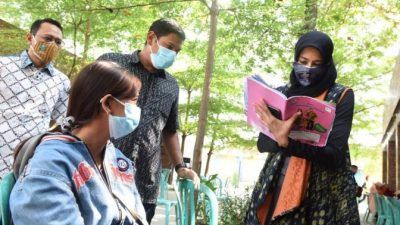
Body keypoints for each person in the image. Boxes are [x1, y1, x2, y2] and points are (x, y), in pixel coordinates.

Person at [10, 61, 147, 225]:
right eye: (134, 100)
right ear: (108, 104)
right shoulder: (50, 165)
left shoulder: (117, 160)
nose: (138, 109)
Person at [245, 31, 360, 225]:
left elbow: (334, 155)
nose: (308, 68)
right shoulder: (281, 94)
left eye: (316, 64)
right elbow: (262, 144)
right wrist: (275, 132)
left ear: (327, 65)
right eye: (303, 61)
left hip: (323, 192)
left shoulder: (341, 96)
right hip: (277, 183)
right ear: (295, 59)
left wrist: (286, 141)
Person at [97, 18, 199, 223]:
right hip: (103, 175)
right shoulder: (112, 63)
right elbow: (86, 106)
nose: (173, 55)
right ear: (151, 37)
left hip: (145, 184)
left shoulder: (171, 86)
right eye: (170, 47)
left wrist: (180, 167)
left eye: (177, 51)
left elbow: (170, 130)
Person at [0, 18, 69, 178]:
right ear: (30, 38)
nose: (53, 44)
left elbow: (63, 122)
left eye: (58, 42)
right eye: (48, 38)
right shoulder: (3, 66)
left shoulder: (61, 81)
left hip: (24, 165)